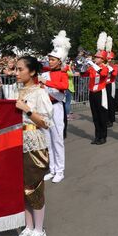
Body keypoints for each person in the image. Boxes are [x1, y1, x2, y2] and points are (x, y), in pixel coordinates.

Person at [8, 56, 53, 236]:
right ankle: (28, 227)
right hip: (15, 142)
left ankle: (39, 230)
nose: (16, 73)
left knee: (33, 187)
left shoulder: (40, 93)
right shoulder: (14, 90)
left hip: (34, 144)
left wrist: (27, 110)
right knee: (21, 187)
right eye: (15, 69)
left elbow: (46, 123)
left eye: (20, 69)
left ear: (32, 72)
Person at [39, 31, 70, 183]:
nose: (49, 62)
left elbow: (63, 86)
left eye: (52, 60)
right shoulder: (45, 74)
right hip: (45, 109)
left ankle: (60, 170)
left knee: (57, 139)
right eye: (49, 59)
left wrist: (47, 83)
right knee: (47, 140)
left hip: (57, 107)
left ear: (59, 61)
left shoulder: (63, 73)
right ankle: (51, 169)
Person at [81, 34, 109, 145]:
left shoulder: (104, 68)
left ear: (102, 59)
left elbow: (102, 74)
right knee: (95, 116)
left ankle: (103, 136)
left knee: (102, 115)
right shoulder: (92, 67)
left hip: (100, 93)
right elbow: (83, 74)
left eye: (97, 57)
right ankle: (97, 136)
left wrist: (93, 64)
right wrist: (83, 64)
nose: (95, 58)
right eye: (95, 57)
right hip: (92, 93)